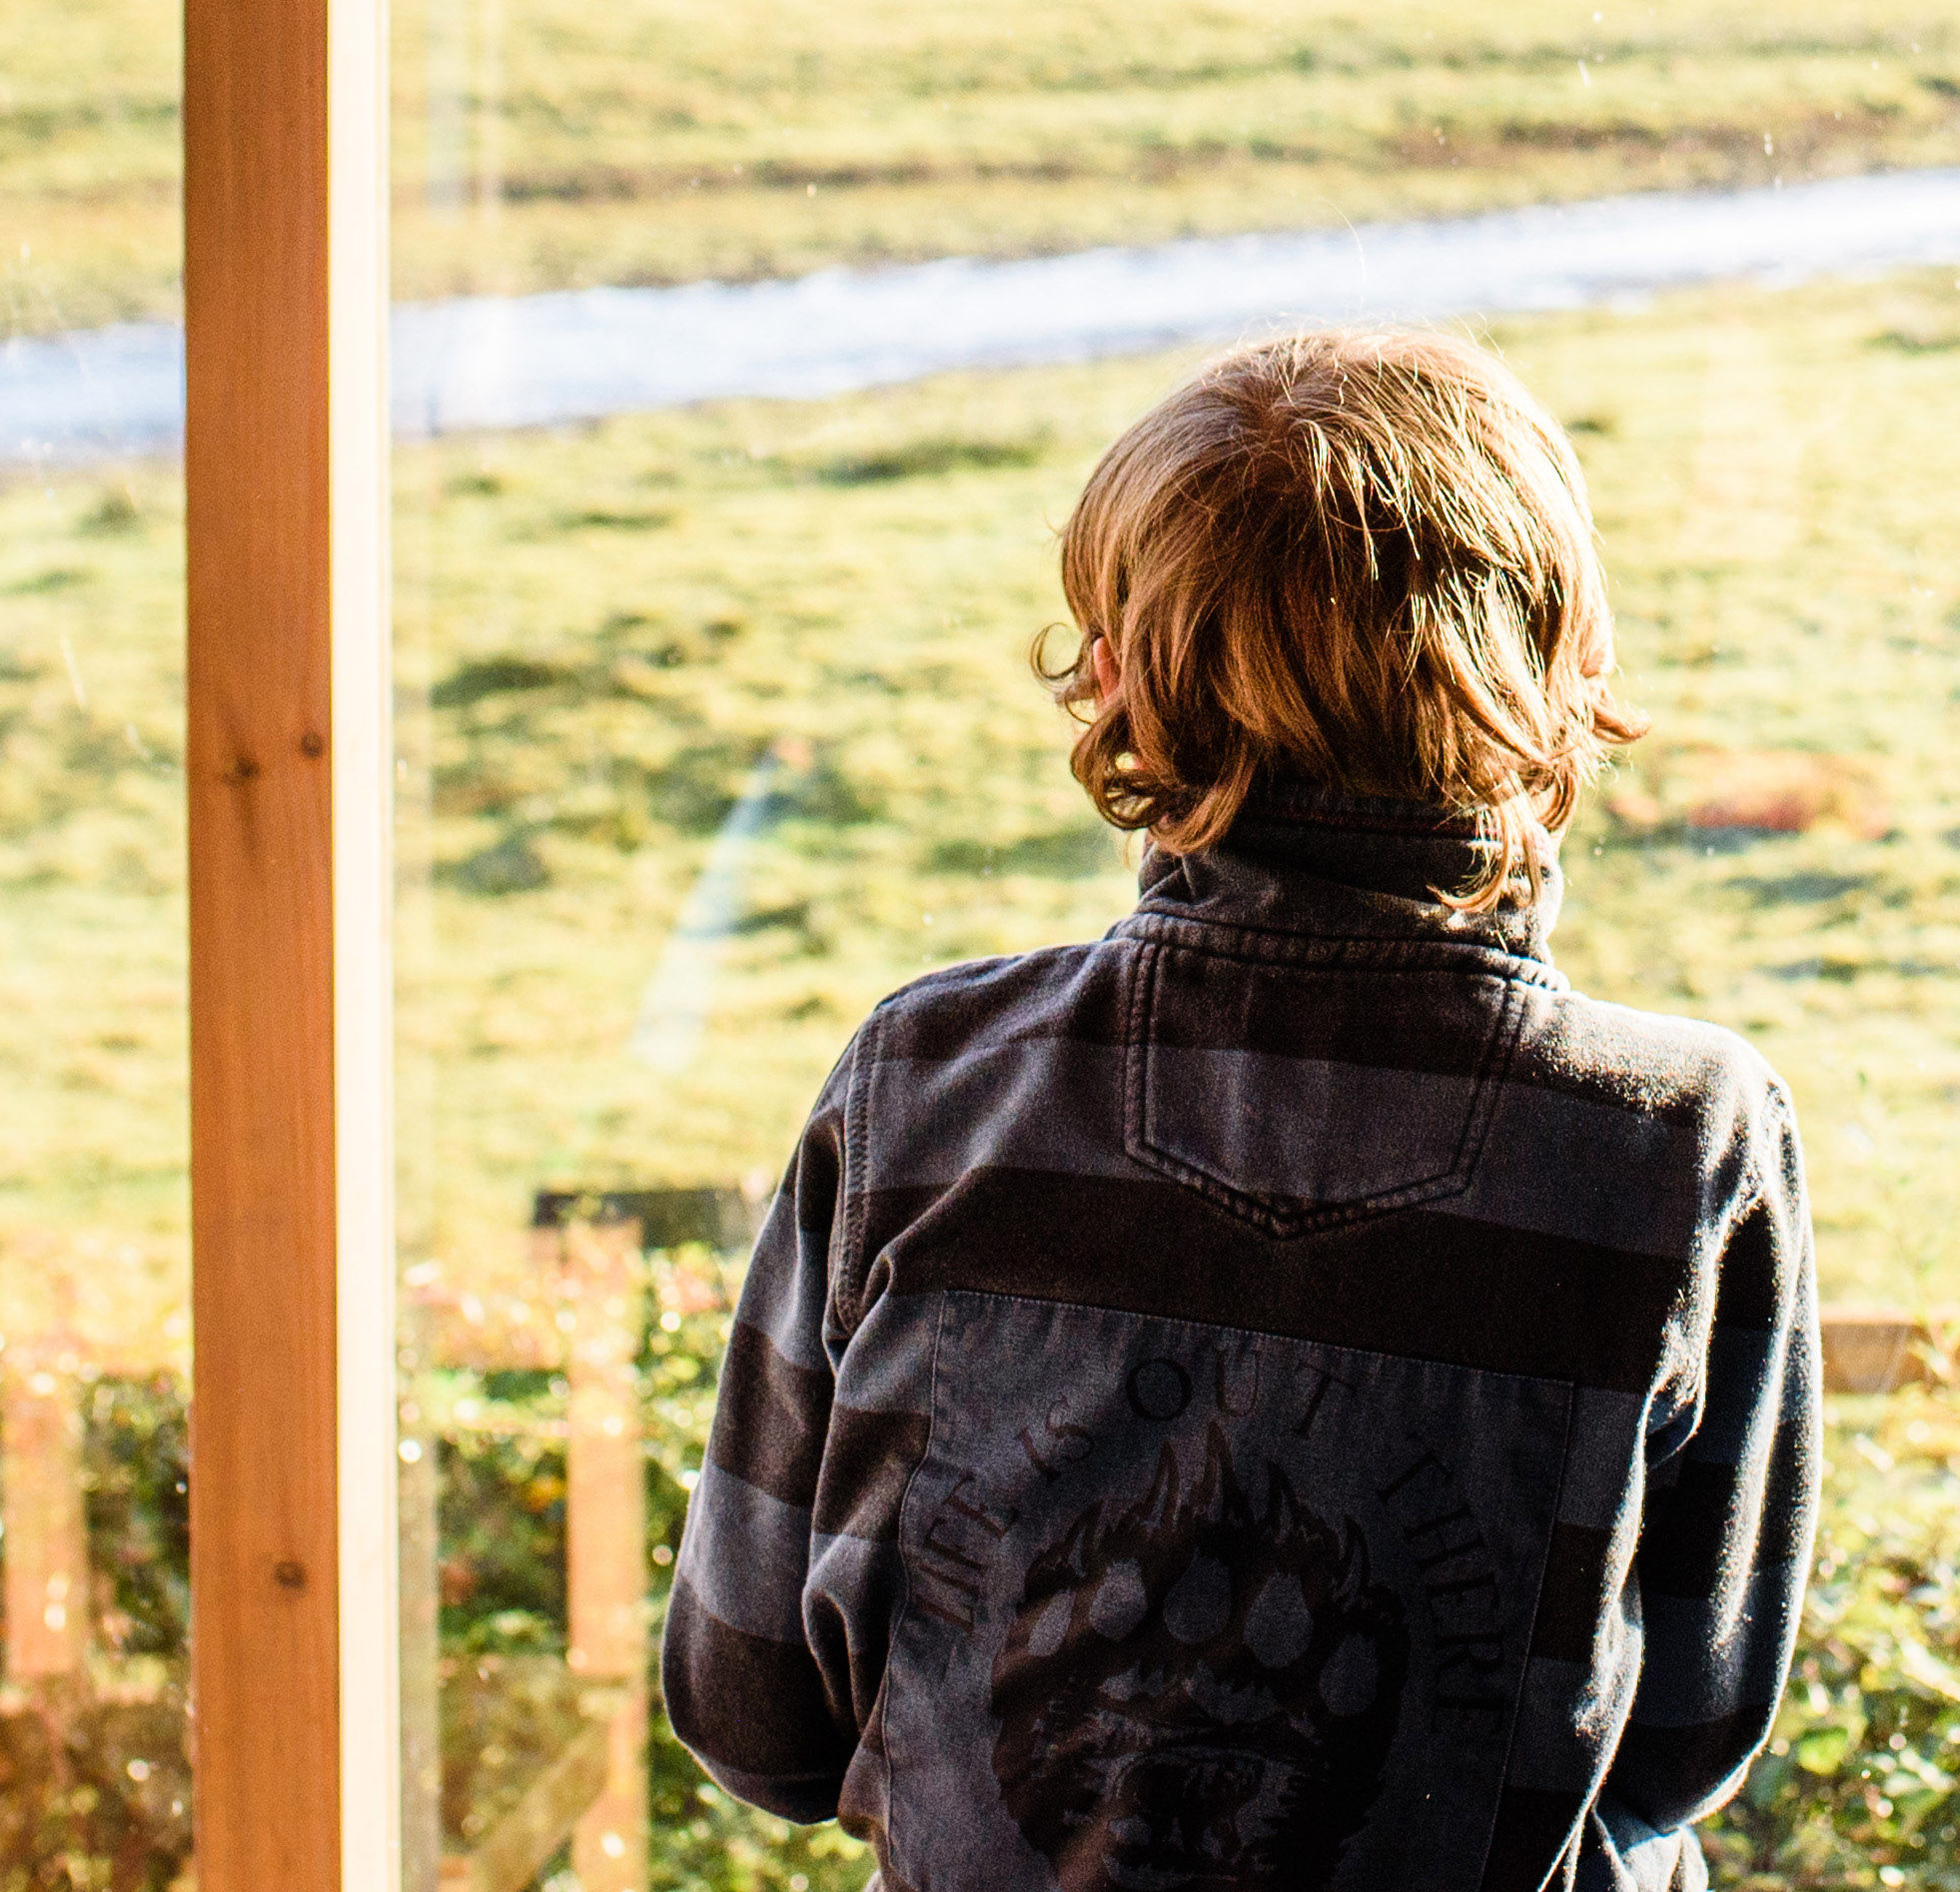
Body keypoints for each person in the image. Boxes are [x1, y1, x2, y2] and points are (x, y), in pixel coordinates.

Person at [662, 324, 1823, 1892]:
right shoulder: (1679, 1142)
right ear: (1567, 664)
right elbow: (1682, 1743)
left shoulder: (922, 1088)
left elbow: (755, 1715)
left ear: (1126, 688)